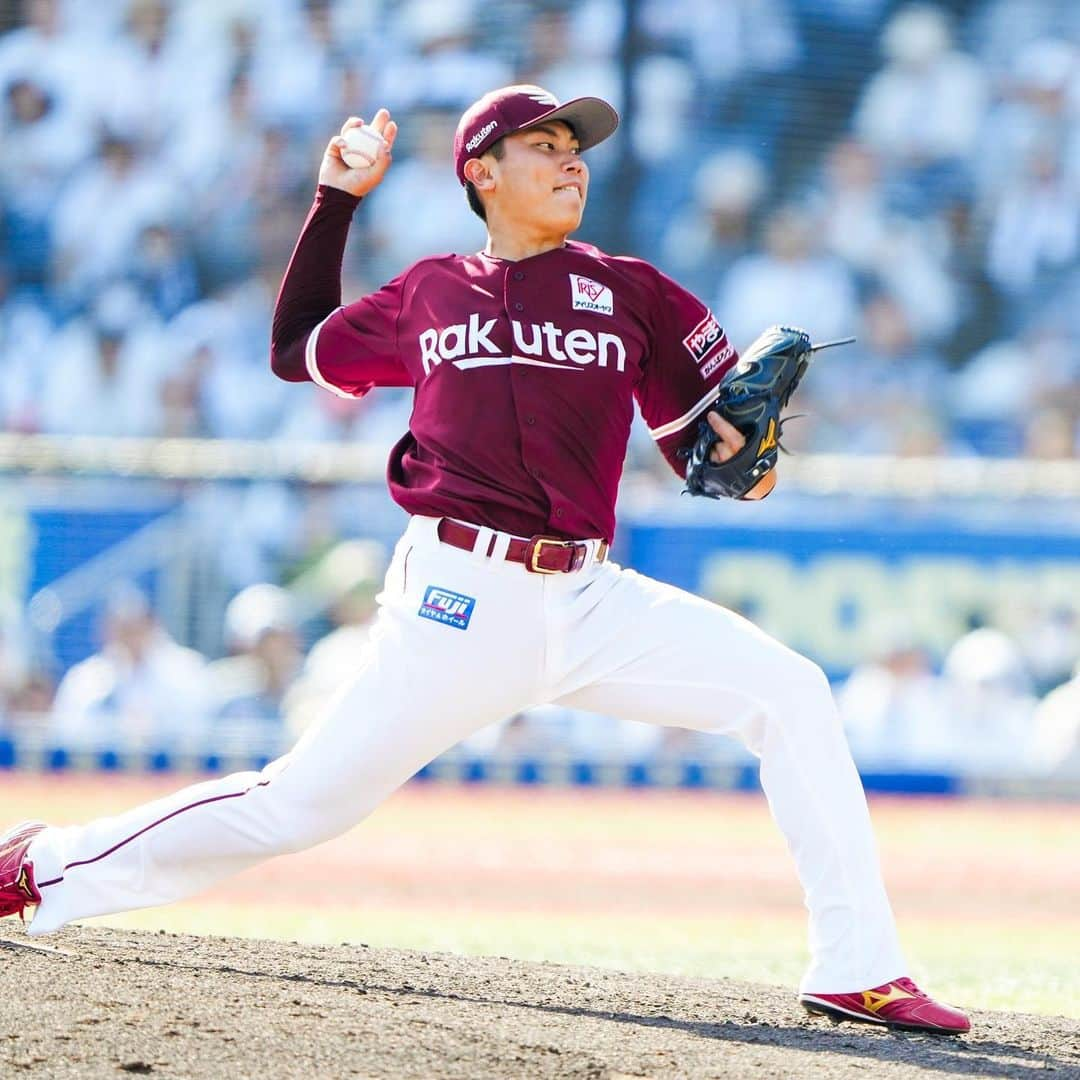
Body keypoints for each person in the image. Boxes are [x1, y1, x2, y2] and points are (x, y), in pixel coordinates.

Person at [0, 85, 968, 1035]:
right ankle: (40, 867)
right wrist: (337, 200)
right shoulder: (430, 291)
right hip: (456, 600)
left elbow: (715, 467)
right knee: (296, 806)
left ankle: (859, 968)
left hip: (589, 600)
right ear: (481, 171)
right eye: (544, 144)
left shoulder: (634, 290)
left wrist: (741, 458)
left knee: (791, 692)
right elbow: (297, 350)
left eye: (576, 146)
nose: (570, 160)